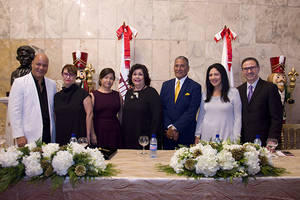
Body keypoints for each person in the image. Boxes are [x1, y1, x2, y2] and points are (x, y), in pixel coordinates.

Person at [8, 53, 57, 146]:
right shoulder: (19, 83)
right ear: (32, 64)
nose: (41, 68)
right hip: (28, 136)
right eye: (38, 64)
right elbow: (14, 111)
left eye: (44, 65)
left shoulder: (52, 84)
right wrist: (19, 135)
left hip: (48, 134)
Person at [237, 57, 283, 146]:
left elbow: (277, 117)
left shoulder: (270, 88)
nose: (249, 71)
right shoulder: (239, 90)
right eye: (246, 69)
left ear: (258, 68)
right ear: (242, 71)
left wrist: (272, 139)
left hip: (265, 142)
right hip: (244, 142)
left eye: (252, 68)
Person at [160, 56, 202, 149]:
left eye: (182, 66)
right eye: (176, 66)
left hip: (186, 135)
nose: (179, 69)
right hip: (168, 135)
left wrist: (175, 128)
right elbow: (162, 109)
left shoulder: (195, 87)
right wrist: (170, 127)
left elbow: (191, 111)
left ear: (188, 68)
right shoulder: (166, 85)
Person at [195, 63, 241, 143]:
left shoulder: (234, 92)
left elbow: (238, 118)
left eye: (216, 74)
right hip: (207, 137)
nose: (213, 77)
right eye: (210, 75)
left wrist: (236, 138)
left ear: (222, 75)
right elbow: (201, 116)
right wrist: (197, 134)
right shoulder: (205, 94)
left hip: (226, 137)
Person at [122, 64, 162, 149]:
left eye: (140, 74)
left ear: (145, 77)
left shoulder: (152, 93)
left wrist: (152, 138)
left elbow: (157, 118)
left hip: (145, 139)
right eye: (134, 74)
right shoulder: (128, 93)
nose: (137, 77)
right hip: (129, 137)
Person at [54, 64, 94, 146]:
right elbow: (55, 117)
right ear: (62, 75)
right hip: (61, 135)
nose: (68, 77)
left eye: (71, 74)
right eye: (66, 74)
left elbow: (89, 115)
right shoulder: (57, 96)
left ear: (75, 76)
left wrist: (88, 135)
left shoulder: (83, 94)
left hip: (78, 135)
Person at [90, 68, 122, 149]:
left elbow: (121, 115)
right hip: (99, 130)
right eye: (106, 77)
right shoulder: (93, 95)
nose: (108, 80)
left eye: (111, 78)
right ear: (100, 79)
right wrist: (92, 134)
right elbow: (90, 117)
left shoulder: (118, 95)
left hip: (115, 130)